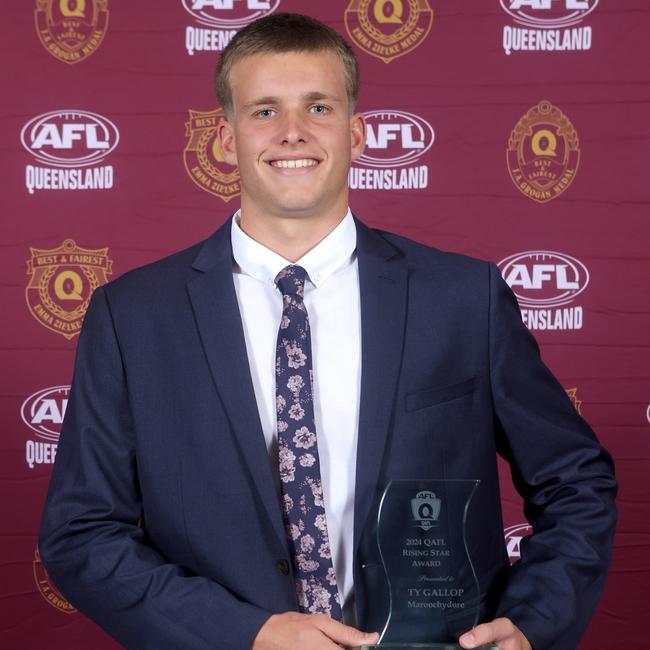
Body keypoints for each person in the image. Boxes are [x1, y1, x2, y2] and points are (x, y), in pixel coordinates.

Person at [39, 12, 617, 650]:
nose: (292, 133)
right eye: (263, 111)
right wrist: (247, 633)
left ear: (356, 131)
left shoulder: (462, 299)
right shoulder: (132, 316)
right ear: (225, 138)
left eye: (318, 107)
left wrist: (536, 620)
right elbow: (83, 532)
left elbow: (575, 479)